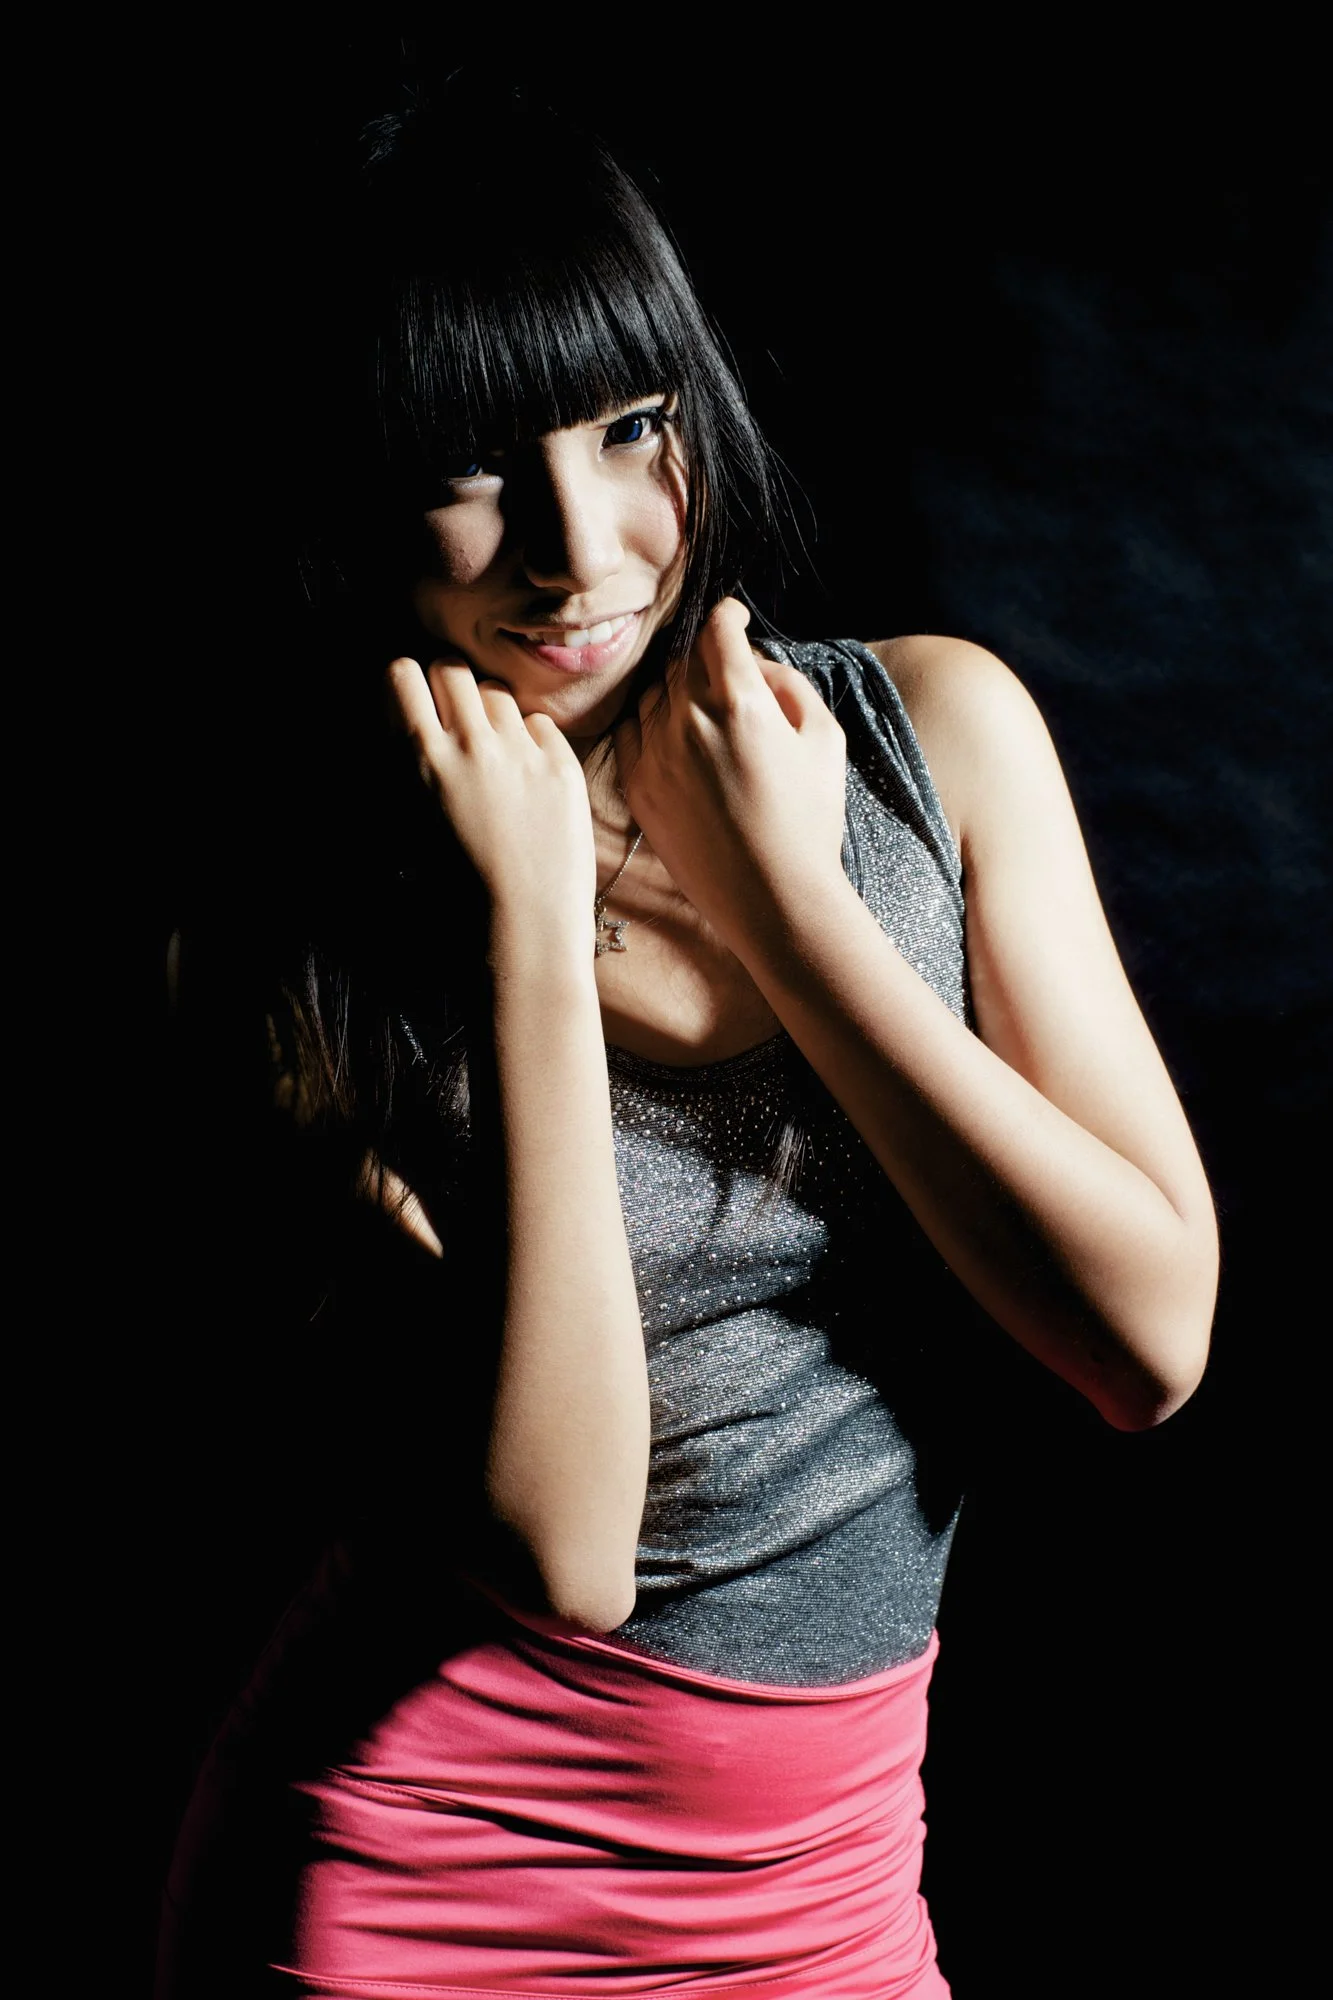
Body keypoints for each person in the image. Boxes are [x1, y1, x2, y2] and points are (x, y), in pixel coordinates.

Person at [157, 81, 1219, 2000]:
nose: (579, 548)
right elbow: (562, 1546)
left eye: (632, 429)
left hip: (826, 1869)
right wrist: (533, 944)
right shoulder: (295, 937)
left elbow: (1145, 1347)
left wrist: (798, 910)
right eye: (470, 467)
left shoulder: (926, 738)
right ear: (350, 488)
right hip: (433, 1871)